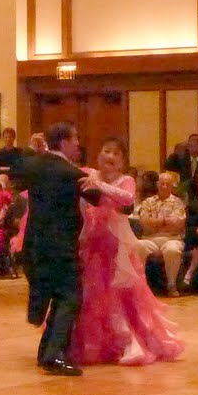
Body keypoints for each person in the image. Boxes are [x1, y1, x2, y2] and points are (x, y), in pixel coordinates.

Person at [69, 137, 183, 367]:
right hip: (92, 245)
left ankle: (131, 343)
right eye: (106, 151)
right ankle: (99, 345)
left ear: (121, 162)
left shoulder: (126, 180)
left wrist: (99, 185)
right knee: (94, 297)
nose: (109, 156)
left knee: (123, 297)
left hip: (118, 247)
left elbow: (127, 199)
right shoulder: (89, 174)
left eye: (115, 154)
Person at [13, 121, 103, 376]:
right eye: (75, 139)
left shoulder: (34, 164)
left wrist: (31, 150)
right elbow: (97, 198)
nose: (78, 144)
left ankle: (47, 353)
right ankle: (53, 355)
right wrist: (97, 181)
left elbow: (16, 170)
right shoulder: (70, 172)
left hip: (34, 245)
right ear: (63, 142)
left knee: (56, 297)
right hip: (61, 246)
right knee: (69, 297)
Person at [133, 170, 188, 296]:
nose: (164, 186)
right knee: (138, 246)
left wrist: (155, 223)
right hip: (150, 238)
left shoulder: (178, 203)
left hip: (172, 238)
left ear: (172, 186)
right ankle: (139, 285)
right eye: (162, 183)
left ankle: (171, 285)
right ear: (157, 184)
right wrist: (164, 221)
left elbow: (178, 224)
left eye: (167, 184)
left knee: (172, 250)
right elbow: (144, 222)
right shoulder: (147, 202)